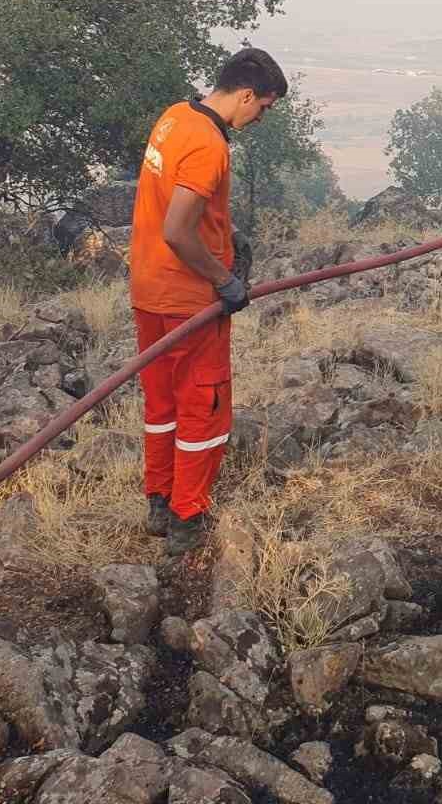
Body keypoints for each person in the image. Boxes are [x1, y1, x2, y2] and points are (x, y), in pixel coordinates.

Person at [130, 48, 288, 555]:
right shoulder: (209, 145)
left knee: (163, 404)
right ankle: (186, 516)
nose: (258, 118)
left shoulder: (175, 117)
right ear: (245, 95)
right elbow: (178, 230)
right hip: (189, 301)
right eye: (262, 108)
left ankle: (159, 499)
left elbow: (172, 204)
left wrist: (227, 231)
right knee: (204, 407)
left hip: (149, 291)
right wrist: (224, 280)